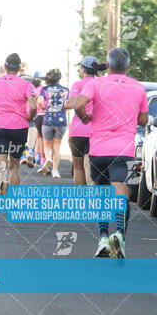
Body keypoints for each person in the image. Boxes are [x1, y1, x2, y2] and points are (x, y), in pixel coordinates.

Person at [75, 48, 147, 258]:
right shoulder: (138, 87)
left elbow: (79, 104)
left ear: (108, 65)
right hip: (126, 150)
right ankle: (119, 235)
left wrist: (86, 118)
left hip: (98, 149)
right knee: (122, 194)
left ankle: (103, 239)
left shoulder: (95, 83)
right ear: (128, 66)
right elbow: (143, 120)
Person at [0, 53, 37, 195]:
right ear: (19, 68)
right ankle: (14, 198)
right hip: (18, 127)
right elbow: (33, 106)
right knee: (14, 165)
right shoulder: (26, 84)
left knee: (1, 164)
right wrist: (30, 118)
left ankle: (2, 183)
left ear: (5, 66)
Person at [64, 56, 104, 185]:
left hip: (77, 131)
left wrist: (65, 104)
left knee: (78, 167)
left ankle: (81, 200)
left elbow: (71, 104)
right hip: (96, 131)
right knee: (89, 166)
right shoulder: (102, 84)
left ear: (82, 69)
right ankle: (92, 200)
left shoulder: (77, 84)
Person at [38, 69, 69, 178]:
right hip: (61, 121)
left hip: (48, 120)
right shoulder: (65, 90)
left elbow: (40, 102)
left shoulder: (45, 89)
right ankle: (55, 171)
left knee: (47, 144)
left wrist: (44, 107)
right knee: (57, 146)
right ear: (59, 78)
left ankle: (48, 158)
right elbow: (67, 105)